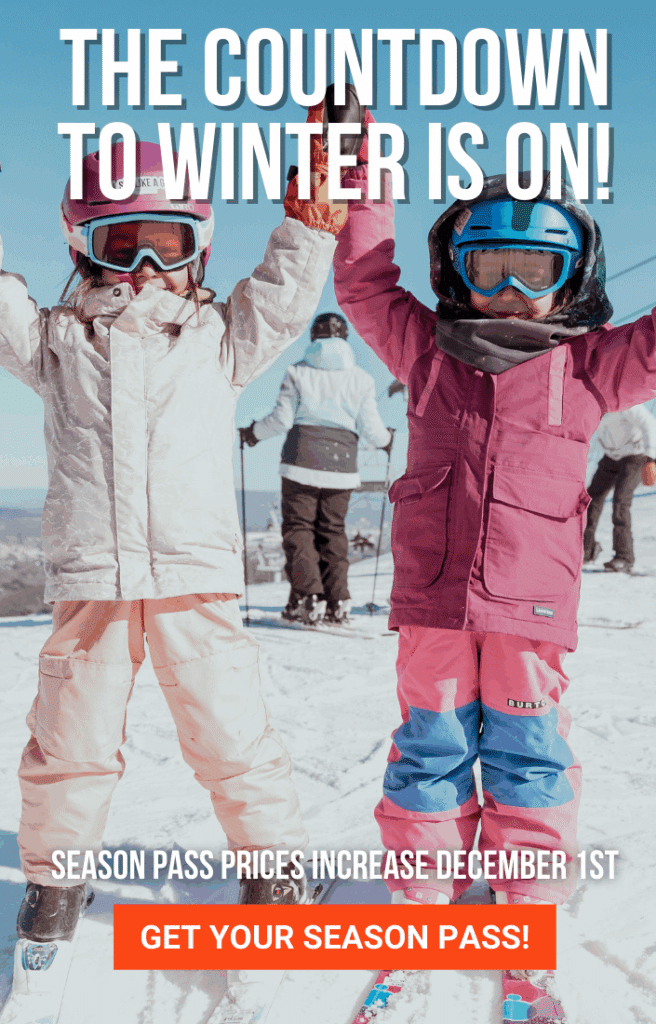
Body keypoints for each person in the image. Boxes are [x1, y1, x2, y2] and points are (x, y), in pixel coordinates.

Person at [0, 113, 347, 956]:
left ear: (199, 246)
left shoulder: (220, 337)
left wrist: (310, 221)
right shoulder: (53, 339)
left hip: (195, 574)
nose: (147, 269)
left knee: (230, 732)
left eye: (167, 244)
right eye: (124, 246)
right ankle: (53, 885)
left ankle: (273, 876)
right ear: (83, 246)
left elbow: (283, 290)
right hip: (93, 578)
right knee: (70, 740)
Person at [334, 108, 656, 910]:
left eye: (535, 271)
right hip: (435, 603)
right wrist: (366, 174)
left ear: (572, 277)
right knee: (431, 748)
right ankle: (422, 895)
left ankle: (528, 899)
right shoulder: (426, 353)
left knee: (529, 751)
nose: (512, 293)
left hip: (531, 607)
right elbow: (364, 282)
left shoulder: (590, 367)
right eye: (490, 271)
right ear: (457, 272)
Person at [240, 312, 392, 624]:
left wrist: (253, 433)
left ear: (314, 338)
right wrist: (387, 440)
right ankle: (339, 600)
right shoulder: (362, 379)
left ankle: (308, 597)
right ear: (345, 338)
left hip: (301, 460)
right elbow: (372, 429)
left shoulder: (298, 372)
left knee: (299, 531)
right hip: (343, 465)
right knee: (333, 531)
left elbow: (281, 420)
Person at [583, 404, 656, 571]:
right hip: (611, 456)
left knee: (620, 503)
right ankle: (586, 550)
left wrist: (650, 458)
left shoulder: (624, 401)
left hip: (634, 456)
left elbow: (651, 424)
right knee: (590, 500)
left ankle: (624, 557)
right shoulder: (592, 406)